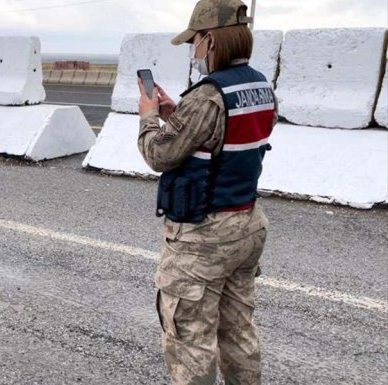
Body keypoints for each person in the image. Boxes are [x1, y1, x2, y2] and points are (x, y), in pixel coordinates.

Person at [136, 0, 277, 384]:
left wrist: (149, 116)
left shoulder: (206, 96)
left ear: (211, 40)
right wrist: (176, 114)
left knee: (189, 340)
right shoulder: (260, 86)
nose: (193, 49)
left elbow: (159, 154)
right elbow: (225, 135)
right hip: (246, 224)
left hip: (205, 236)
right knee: (238, 331)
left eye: (195, 40)